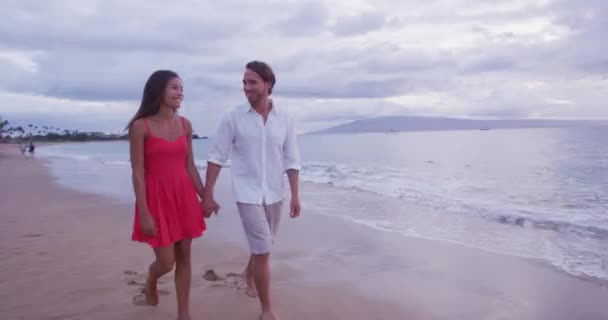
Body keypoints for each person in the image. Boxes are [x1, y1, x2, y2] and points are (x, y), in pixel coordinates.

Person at [203, 61, 301, 320]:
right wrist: (207, 194)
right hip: (246, 193)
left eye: (252, 82)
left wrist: (295, 195)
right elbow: (216, 156)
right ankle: (267, 310)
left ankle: (249, 273)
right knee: (263, 249)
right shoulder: (232, 118)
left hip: (275, 193)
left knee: (264, 245)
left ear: (268, 85)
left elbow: (292, 159)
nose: (246, 88)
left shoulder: (285, 119)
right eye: (244, 83)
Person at [127, 70, 208, 320]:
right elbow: (138, 173)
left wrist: (205, 196)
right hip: (157, 199)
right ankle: (151, 279)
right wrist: (144, 212)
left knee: (185, 257)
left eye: (181, 88)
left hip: (183, 196)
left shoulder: (185, 125)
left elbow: (190, 166)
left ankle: (183, 314)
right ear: (158, 90)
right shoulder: (141, 126)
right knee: (166, 262)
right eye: (174, 87)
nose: (180, 92)